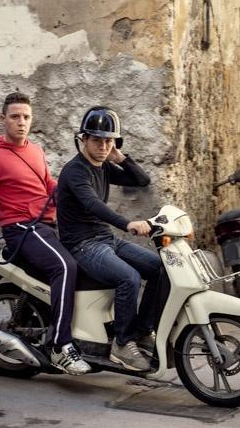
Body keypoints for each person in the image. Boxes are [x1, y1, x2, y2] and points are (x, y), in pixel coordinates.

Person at [0, 92, 91, 375]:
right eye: (15, 117)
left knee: (93, 261)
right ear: (2, 119)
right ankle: (61, 347)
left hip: (48, 226)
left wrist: (80, 199)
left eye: (26, 117)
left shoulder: (36, 150)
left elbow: (50, 186)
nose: (21, 122)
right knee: (65, 267)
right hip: (22, 228)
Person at [55, 107, 161, 372]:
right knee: (129, 278)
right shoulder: (75, 171)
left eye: (108, 141)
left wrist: (120, 157)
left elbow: (141, 179)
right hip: (82, 244)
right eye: (97, 140)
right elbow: (92, 205)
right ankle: (122, 344)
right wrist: (127, 224)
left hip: (104, 238)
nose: (103, 146)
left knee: (160, 268)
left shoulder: (104, 165)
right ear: (83, 140)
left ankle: (142, 331)